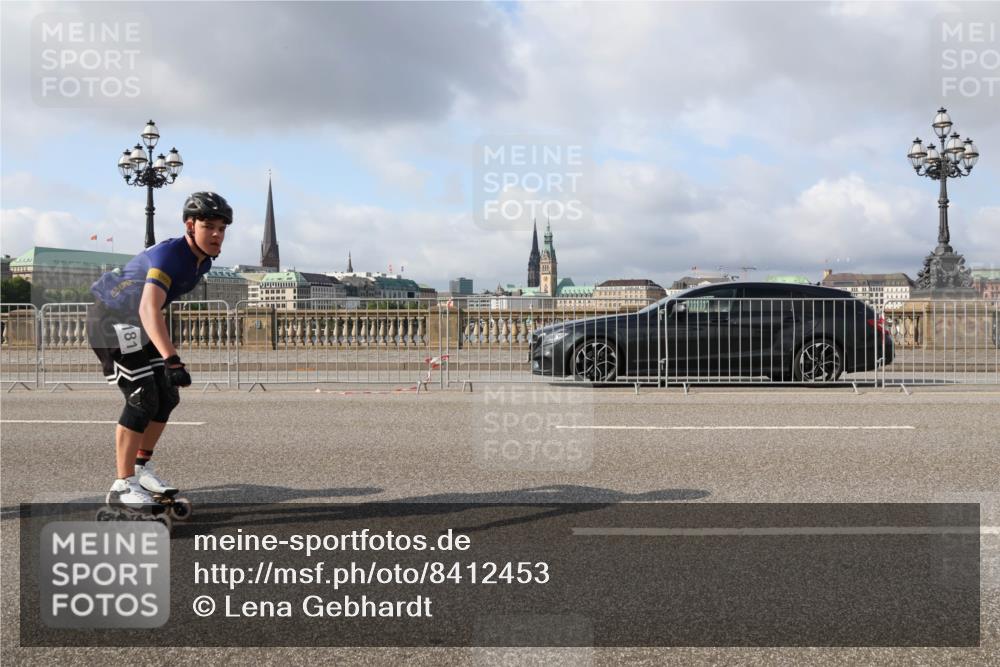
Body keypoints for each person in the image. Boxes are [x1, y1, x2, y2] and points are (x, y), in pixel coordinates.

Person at [87, 192, 233, 512]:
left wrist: (168, 360)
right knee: (142, 396)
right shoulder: (170, 257)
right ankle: (123, 484)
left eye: (222, 229)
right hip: (111, 321)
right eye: (209, 227)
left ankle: (141, 468)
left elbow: (151, 309)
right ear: (190, 226)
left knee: (167, 395)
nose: (217, 235)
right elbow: (149, 308)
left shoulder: (203, 261)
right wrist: (172, 359)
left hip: (135, 322)